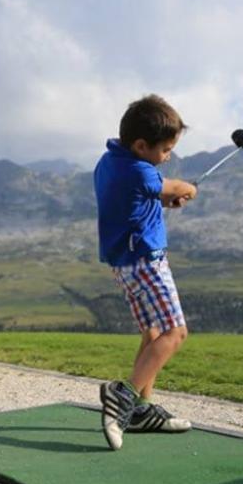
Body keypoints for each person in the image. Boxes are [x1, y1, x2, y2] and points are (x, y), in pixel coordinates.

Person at [94, 94, 198, 451]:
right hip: (147, 262)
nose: (167, 157)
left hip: (124, 265)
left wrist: (162, 198)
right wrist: (186, 190)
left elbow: (145, 196)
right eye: (166, 150)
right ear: (141, 145)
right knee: (175, 332)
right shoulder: (141, 171)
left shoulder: (110, 162)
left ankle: (140, 409)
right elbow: (173, 186)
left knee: (152, 332)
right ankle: (123, 395)